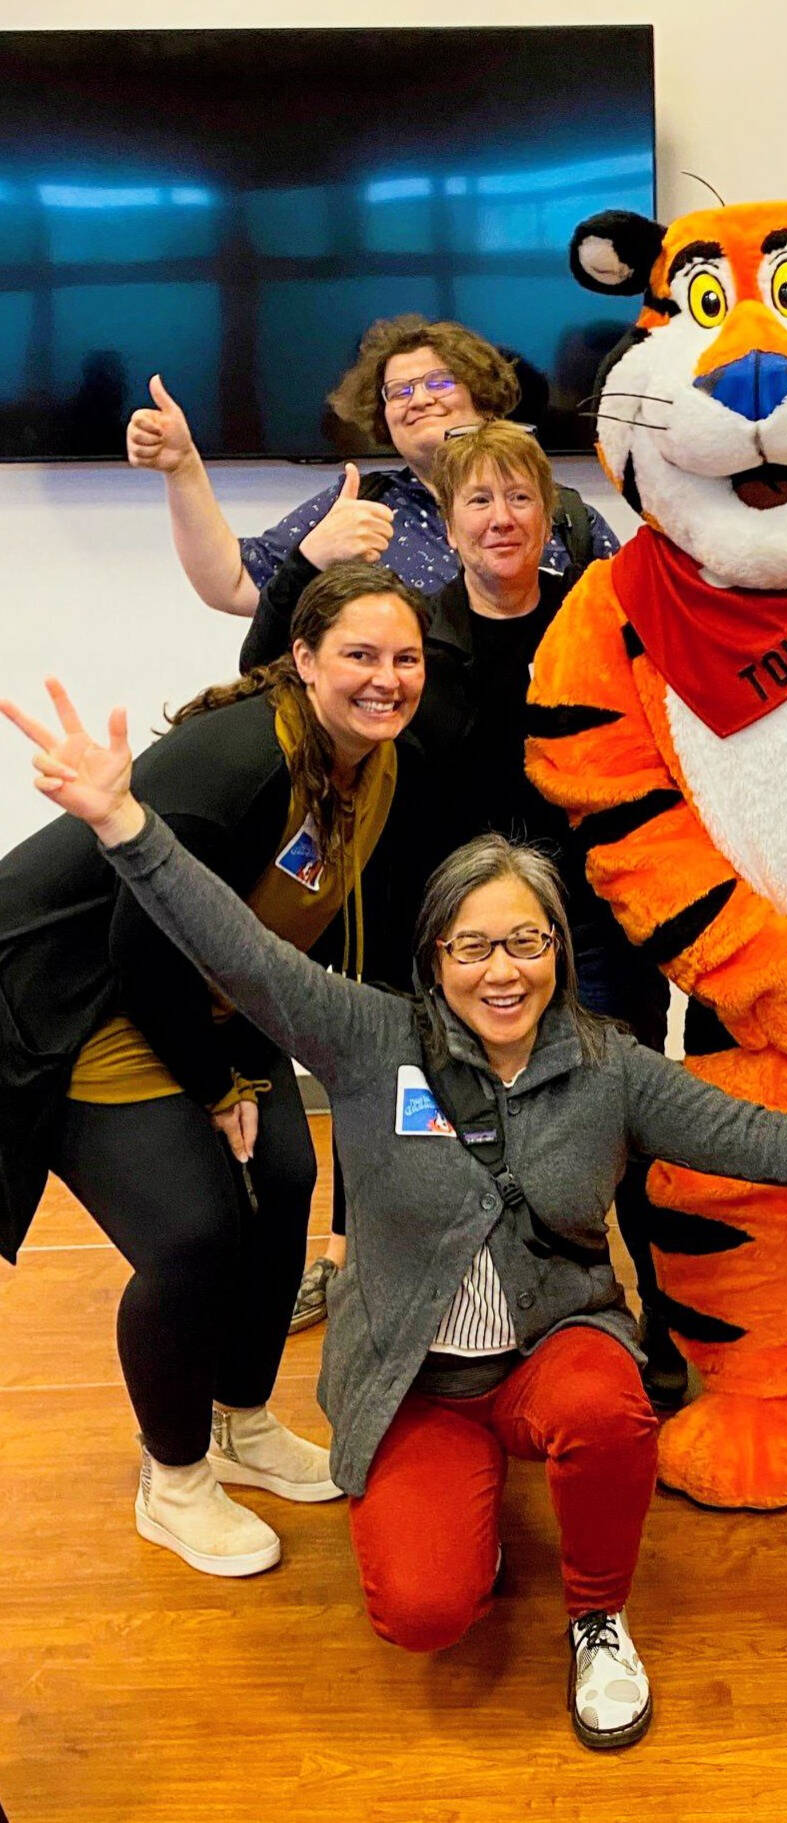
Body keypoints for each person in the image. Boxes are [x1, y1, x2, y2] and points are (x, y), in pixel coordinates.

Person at [2, 693, 787, 1750]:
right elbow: (240, 949)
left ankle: (597, 1613)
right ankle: (466, 1516)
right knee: (423, 1614)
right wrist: (124, 825)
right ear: (433, 959)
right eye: (472, 946)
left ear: (559, 950)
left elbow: (768, 1144)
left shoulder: (608, 1067)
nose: (501, 969)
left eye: (526, 941)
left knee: (609, 1413)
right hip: (416, 1383)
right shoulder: (373, 1041)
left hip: (553, 1350)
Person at [0, 568, 429, 1578]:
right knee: (194, 1230)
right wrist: (219, 1083)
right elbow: (141, 946)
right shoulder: (242, 762)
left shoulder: (371, 759)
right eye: (360, 656)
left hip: (200, 990)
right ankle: (176, 1473)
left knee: (284, 1177)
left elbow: (269, 923)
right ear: (306, 659)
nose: (386, 678)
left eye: (404, 657)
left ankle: (243, 1420)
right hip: (79, 996)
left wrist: (248, 1060)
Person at [245, 423, 682, 1410]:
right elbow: (277, 665)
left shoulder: (597, 618)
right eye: (479, 501)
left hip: (592, 924)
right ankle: (433, 1331)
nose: (502, 519)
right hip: (446, 933)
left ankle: (662, 1322)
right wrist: (299, 572)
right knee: (422, 1129)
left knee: (627, 1123)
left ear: (551, 516)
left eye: (521, 499)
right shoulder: (417, 635)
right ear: (448, 522)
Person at [125, 313, 619, 616]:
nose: (418, 399)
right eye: (398, 392)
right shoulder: (359, 504)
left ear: (483, 394)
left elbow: (633, 632)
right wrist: (183, 467)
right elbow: (230, 583)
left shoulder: (566, 517)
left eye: (439, 382)